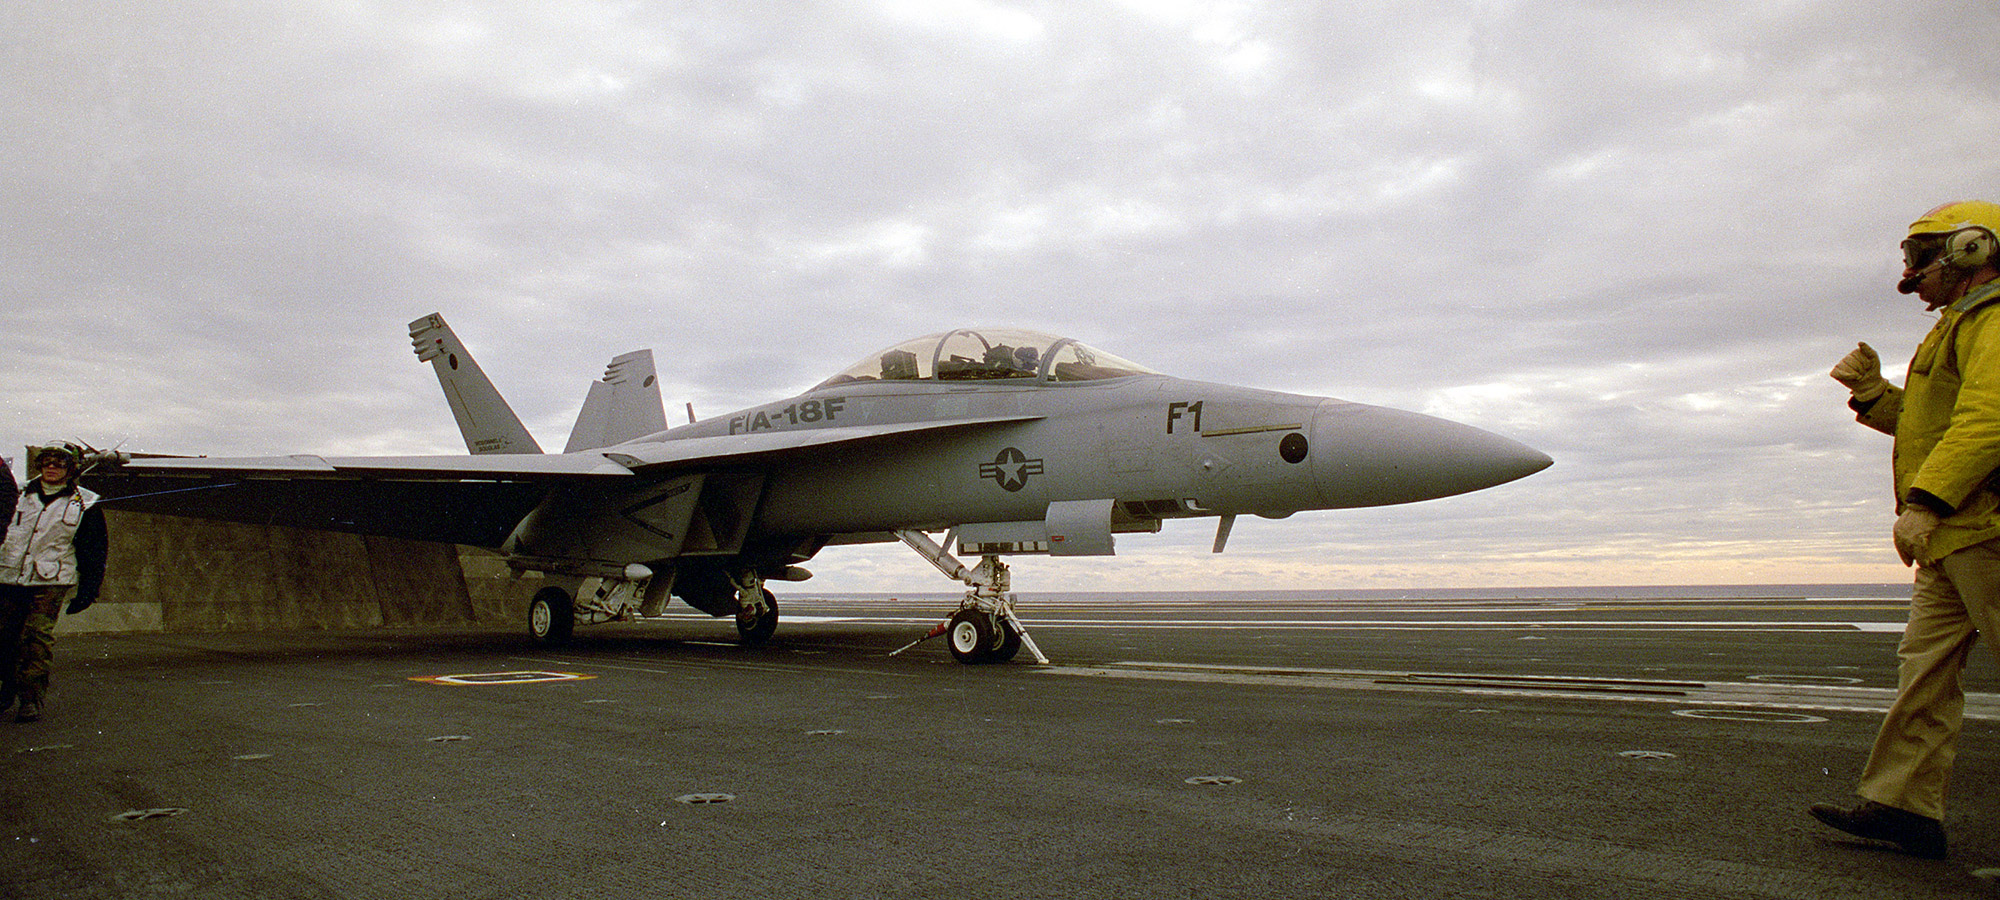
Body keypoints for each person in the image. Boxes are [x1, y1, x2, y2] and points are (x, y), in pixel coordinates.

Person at [1815, 200, 2000, 859]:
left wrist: (1925, 502)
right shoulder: (1955, 328)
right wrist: (1873, 395)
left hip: (1982, 528)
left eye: (1919, 254)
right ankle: (1905, 809)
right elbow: (1930, 425)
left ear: (1972, 249)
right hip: (1955, 536)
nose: (1911, 270)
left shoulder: (1994, 321)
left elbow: (1989, 420)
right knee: (1924, 672)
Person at [0, 443, 108, 723]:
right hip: (9, 576)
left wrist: (88, 590)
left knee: (36, 639)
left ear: (70, 469)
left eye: (58, 463)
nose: (51, 467)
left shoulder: (86, 502)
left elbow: (94, 551)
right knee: (4, 636)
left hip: (49, 581)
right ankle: (4, 690)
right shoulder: (17, 493)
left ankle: (30, 698)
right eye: (46, 462)